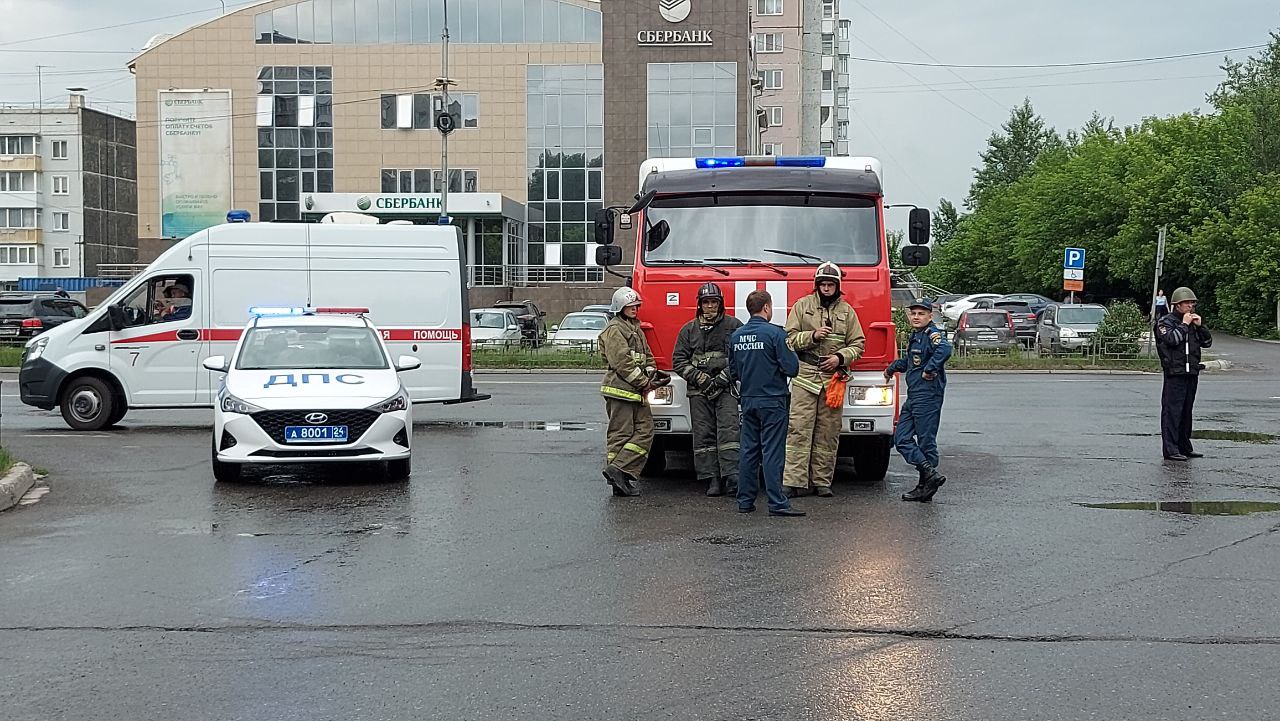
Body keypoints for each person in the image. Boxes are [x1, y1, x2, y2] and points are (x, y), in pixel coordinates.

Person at [782, 261, 865, 497]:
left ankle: (822, 482)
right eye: (823, 284)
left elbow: (858, 344)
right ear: (816, 286)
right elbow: (788, 339)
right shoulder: (802, 306)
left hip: (833, 381)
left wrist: (840, 358)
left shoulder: (847, 312)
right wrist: (812, 336)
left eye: (831, 284)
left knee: (828, 432)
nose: (826, 288)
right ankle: (794, 483)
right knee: (798, 430)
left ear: (838, 286)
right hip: (805, 375)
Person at [729, 290, 805, 517]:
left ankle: (745, 501)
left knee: (748, 451)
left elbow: (733, 371)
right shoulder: (776, 334)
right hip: (773, 401)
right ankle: (777, 503)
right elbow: (792, 368)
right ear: (767, 308)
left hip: (749, 400)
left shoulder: (737, 336)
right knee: (772, 451)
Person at [672, 282, 743, 497]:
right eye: (706, 302)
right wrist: (700, 378)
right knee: (703, 434)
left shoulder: (734, 326)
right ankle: (711, 478)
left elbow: (741, 356)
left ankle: (732, 476)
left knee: (729, 432)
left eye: (713, 302)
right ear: (700, 305)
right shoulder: (688, 330)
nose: (710, 306)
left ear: (720, 304)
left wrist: (723, 378)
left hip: (726, 389)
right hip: (698, 391)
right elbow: (678, 360)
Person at [598, 286, 668, 496]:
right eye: (630, 305)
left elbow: (646, 356)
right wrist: (643, 382)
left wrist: (652, 374)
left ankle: (619, 470)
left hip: (637, 392)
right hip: (620, 391)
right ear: (619, 307)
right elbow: (622, 362)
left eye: (636, 305)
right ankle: (617, 480)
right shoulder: (614, 329)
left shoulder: (635, 328)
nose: (634, 308)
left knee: (645, 431)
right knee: (620, 435)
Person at [885, 299, 953, 501]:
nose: (916, 317)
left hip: (928, 395)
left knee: (926, 441)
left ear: (929, 317)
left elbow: (945, 350)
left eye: (921, 314)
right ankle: (930, 474)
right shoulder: (917, 336)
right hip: (914, 395)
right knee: (901, 438)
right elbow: (911, 361)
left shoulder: (932, 334)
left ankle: (925, 486)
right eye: (913, 313)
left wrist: (930, 369)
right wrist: (892, 368)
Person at [1155, 287, 1212, 461]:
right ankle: (1171, 449)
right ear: (1177, 305)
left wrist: (1200, 327)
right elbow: (1172, 340)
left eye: (1192, 303)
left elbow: (1207, 342)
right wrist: (1185, 324)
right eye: (1187, 303)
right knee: (1173, 412)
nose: (1190, 306)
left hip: (1191, 372)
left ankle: (1184, 446)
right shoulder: (1165, 322)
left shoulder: (1193, 322)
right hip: (1175, 373)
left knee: (1186, 411)